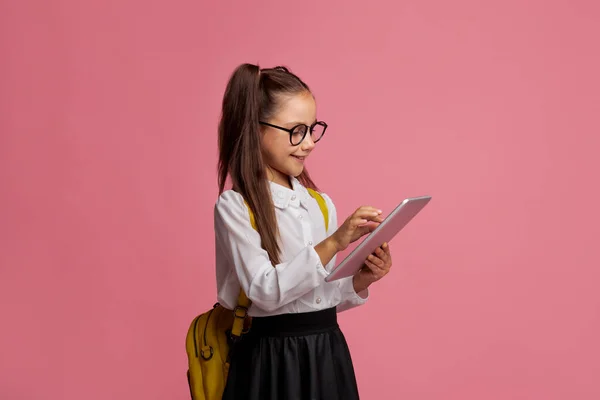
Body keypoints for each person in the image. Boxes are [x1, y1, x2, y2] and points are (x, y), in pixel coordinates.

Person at [214, 63, 393, 400]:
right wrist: (334, 242)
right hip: (271, 360)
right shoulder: (236, 207)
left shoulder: (320, 204)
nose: (309, 143)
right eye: (296, 130)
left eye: (313, 129)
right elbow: (264, 292)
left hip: (327, 351)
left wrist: (360, 280)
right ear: (255, 130)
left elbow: (318, 297)